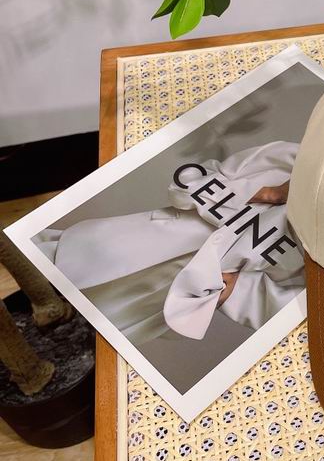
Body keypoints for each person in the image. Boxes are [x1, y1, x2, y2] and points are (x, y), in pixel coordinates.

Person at [34, 141, 303, 346]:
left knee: (71, 342)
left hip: (163, 297)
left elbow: (293, 309)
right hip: (134, 241)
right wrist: (268, 193)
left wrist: (233, 292)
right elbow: (185, 184)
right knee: (40, 274)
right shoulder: (292, 157)